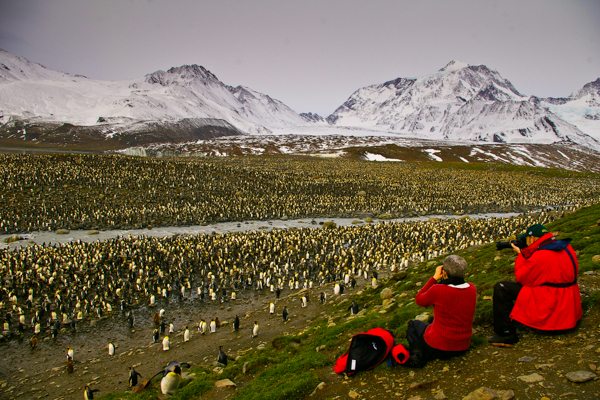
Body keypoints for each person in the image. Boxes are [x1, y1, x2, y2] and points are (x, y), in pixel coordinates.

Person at [488, 224, 582, 346]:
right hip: (568, 305)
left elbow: (522, 278)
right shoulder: (567, 247)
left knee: (502, 287)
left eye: (527, 239)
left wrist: (521, 255)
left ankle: (506, 333)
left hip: (552, 303)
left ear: (532, 239)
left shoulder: (541, 255)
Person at [406, 255, 477, 367]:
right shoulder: (472, 288)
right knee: (432, 319)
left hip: (440, 347)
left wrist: (434, 278)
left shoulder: (438, 290)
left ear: (444, 273)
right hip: (462, 346)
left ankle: (417, 356)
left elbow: (419, 299)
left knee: (413, 325)